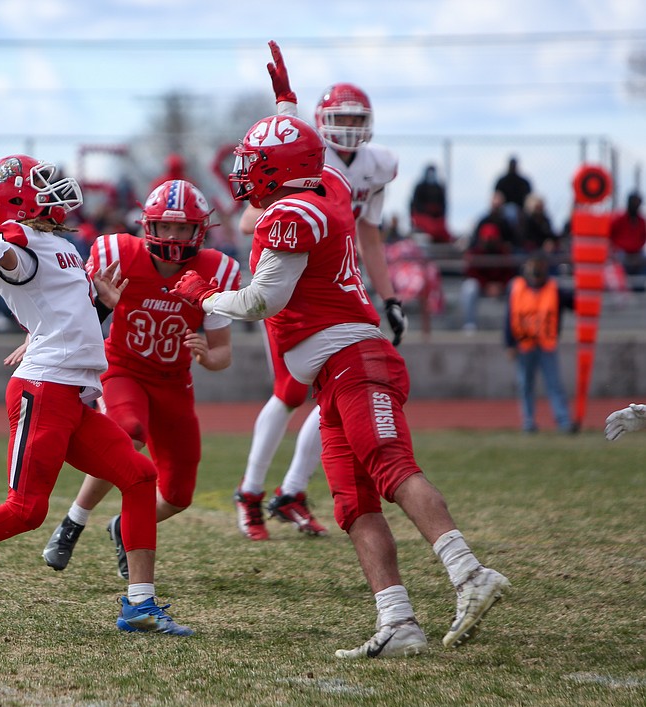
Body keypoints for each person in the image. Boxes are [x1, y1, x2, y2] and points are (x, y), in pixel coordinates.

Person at [171, 107, 510, 659]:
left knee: (390, 462)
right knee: (353, 503)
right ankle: (397, 621)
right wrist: (285, 105)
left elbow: (262, 301)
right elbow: (317, 158)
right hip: (333, 373)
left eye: (256, 163)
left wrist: (203, 295)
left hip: (355, 358)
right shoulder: (325, 185)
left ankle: (470, 574)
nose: (245, 173)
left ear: (281, 168)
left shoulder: (296, 212)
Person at [0, 153, 194, 636]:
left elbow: (64, 314)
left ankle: (140, 605)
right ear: (15, 198)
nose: (52, 186)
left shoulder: (52, 243)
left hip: (71, 393)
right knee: (26, 510)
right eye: (39, 181)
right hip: (44, 390)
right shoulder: (13, 244)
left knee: (140, 475)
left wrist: (101, 307)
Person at [233, 41, 408, 542]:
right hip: (293, 284)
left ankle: (289, 491)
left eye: (357, 119)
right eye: (341, 119)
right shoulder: (311, 153)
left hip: (338, 282)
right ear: (320, 121)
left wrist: (390, 296)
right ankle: (250, 492)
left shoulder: (378, 166)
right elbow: (250, 216)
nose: (349, 130)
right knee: (290, 394)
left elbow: (369, 235)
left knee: (335, 394)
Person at [38, 179, 241, 578]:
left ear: (199, 230)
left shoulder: (216, 271)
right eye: (165, 226)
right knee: (127, 434)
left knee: (179, 495)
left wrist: (205, 354)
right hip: (124, 369)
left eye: (182, 228)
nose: (173, 235)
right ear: (149, 225)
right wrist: (42, 335)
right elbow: (72, 310)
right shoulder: (119, 254)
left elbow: (224, 354)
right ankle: (74, 521)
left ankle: (118, 527)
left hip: (174, 381)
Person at [504, 255, 573, 434]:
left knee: (554, 384)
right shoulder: (517, 287)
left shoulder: (554, 288)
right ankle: (528, 421)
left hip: (546, 344)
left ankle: (563, 421)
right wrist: (509, 344)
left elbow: (574, 302)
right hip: (525, 344)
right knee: (525, 384)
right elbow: (509, 317)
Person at [408, 164, 452, 244]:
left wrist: (436, 212)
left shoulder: (439, 188)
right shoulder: (420, 187)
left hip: (437, 218)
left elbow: (443, 206)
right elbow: (416, 204)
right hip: (422, 217)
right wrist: (427, 210)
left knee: (441, 231)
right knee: (431, 228)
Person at [609, 192, 645, 277]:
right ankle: (622, 287)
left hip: (637, 253)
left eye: (637, 203)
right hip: (621, 252)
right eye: (633, 202)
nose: (635, 205)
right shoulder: (619, 219)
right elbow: (610, 234)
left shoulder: (641, 221)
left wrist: (637, 247)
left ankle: (639, 288)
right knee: (618, 263)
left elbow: (643, 236)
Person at [494, 156, 533, 226]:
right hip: (505, 209)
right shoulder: (502, 181)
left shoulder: (523, 182)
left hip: (522, 210)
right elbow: (497, 196)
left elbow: (529, 198)